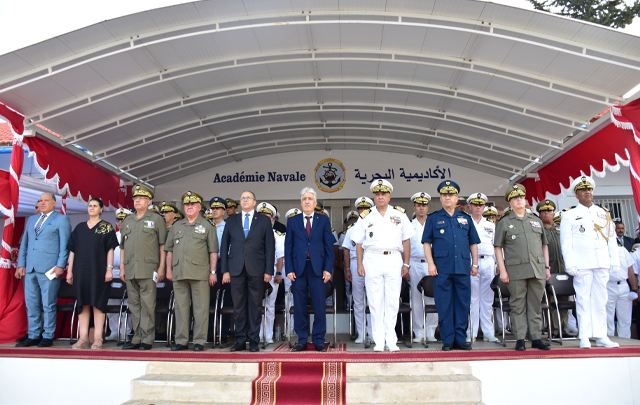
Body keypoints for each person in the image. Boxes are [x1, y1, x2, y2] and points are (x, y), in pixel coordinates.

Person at [561, 175, 620, 349]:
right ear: (576, 194)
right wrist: (570, 264)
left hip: (601, 262)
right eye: (583, 190)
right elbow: (566, 243)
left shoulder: (603, 213)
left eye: (589, 189)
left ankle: (601, 335)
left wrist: (614, 262)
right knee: (583, 300)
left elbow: (611, 240)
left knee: (601, 300)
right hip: (582, 264)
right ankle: (584, 336)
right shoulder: (569, 215)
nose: (587, 192)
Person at [353, 180, 413, 352]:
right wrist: (359, 264)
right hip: (372, 259)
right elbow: (358, 242)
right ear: (374, 196)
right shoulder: (366, 216)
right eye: (377, 194)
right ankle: (378, 340)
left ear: (389, 196)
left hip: (393, 258)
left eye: (384, 194)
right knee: (375, 302)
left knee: (392, 301)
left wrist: (406, 263)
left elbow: (406, 240)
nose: (380, 197)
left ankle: (391, 340)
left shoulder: (399, 214)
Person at [422, 180, 479, 351]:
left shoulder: (466, 219)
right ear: (440, 198)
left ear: (457, 198)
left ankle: (460, 339)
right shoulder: (433, 218)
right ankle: (447, 339)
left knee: (462, 303)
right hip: (442, 268)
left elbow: (473, 243)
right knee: (444, 304)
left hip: (462, 267)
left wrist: (475, 264)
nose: (447, 197)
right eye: (444, 195)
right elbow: (426, 243)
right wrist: (430, 264)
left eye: (451, 195)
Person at [494, 184, 550, 351]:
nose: (518, 200)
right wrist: (502, 270)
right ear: (510, 202)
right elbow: (498, 247)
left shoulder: (536, 221)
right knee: (518, 305)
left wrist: (547, 267)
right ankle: (520, 338)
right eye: (514, 198)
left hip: (537, 268)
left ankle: (536, 337)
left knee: (535, 304)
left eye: (521, 197)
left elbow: (544, 244)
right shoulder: (504, 222)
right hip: (516, 270)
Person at [220, 190, 275, 352]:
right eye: (242, 198)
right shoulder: (232, 220)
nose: (244, 200)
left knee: (255, 306)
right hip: (236, 269)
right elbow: (224, 246)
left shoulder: (264, 220)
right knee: (238, 306)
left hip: (257, 269)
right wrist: (225, 270)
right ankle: (240, 339)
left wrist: (268, 270)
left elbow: (270, 247)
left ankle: (253, 340)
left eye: (248, 198)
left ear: (254, 202)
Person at [15, 192, 72, 348]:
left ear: (54, 203)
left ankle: (48, 335)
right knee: (31, 304)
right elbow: (25, 243)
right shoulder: (32, 219)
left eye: (46, 200)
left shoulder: (61, 219)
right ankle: (33, 334)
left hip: (50, 268)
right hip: (30, 268)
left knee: (48, 304)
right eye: (40, 200)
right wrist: (21, 264)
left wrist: (61, 265)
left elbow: (65, 245)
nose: (42, 203)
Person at [165, 191, 218, 352]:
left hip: (200, 273)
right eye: (187, 204)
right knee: (180, 308)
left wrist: (213, 272)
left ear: (199, 207)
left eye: (193, 204)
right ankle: (181, 340)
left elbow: (213, 252)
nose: (189, 207)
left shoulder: (207, 226)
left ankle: (199, 341)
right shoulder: (176, 226)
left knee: (200, 309)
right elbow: (169, 250)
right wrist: (168, 269)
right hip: (179, 272)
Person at [286, 187, 336, 351]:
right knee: (299, 305)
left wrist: (328, 269)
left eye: (310, 199)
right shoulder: (293, 221)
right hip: (298, 269)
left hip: (318, 269)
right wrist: (289, 269)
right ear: (301, 202)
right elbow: (288, 247)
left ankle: (319, 340)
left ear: (315, 202)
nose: (307, 201)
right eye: (304, 199)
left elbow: (329, 247)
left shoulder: (323, 220)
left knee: (319, 305)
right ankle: (301, 339)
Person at [66, 198, 119, 349]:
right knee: (82, 304)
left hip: (99, 271)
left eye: (95, 206)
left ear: (101, 209)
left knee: (98, 303)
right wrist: (69, 271)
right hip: (80, 271)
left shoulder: (106, 227)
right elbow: (72, 251)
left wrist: (109, 269)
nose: (92, 208)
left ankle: (98, 338)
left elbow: (110, 250)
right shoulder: (80, 228)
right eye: (90, 205)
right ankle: (83, 338)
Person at [120, 184, 167, 350]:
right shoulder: (127, 220)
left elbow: (162, 246)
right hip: (130, 268)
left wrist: (161, 267)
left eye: (141, 198)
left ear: (149, 201)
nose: (137, 201)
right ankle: (137, 337)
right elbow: (123, 247)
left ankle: (147, 338)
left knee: (148, 304)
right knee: (134, 304)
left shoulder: (156, 219)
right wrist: (122, 268)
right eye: (135, 198)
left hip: (148, 268)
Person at [467, 192, 498, 343]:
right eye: (475, 205)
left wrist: (498, 264)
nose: (478, 207)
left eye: (481, 205)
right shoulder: (466, 222)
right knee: (472, 299)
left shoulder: (490, 225)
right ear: (470, 206)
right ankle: (471, 332)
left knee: (487, 299)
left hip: (488, 262)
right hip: (471, 262)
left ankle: (488, 332)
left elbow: (496, 246)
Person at [342, 196, 373, 344]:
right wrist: (347, 269)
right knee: (358, 300)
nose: (363, 211)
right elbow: (346, 250)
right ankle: (361, 333)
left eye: (366, 208)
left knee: (374, 300)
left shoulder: (375, 226)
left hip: (372, 263)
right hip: (355, 263)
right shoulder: (352, 229)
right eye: (360, 208)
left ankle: (373, 333)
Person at [408, 191, 438, 344]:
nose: (421, 208)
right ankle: (418, 331)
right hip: (414, 263)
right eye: (418, 205)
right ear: (414, 207)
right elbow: (404, 247)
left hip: (431, 264)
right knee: (416, 299)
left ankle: (431, 330)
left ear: (428, 207)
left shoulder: (434, 224)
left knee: (433, 297)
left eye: (424, 205)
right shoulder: (408, 225)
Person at [257, 202, 285, 344]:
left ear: (272, 218)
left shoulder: (277, 235)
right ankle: (257, 334)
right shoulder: (253, 233)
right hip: (255, 271)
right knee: (256, 305)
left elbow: (280, 257)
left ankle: (268, 335)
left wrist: (279, 273)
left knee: (270, 305)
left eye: (267, 216)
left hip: (272, 271)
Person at [106, 207, 132, 342]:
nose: (121, 222)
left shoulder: (133, 235)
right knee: (111, 303)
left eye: (124, 219)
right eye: (118, 220)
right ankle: (114, 330)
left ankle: (125, 331)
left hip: (128, 272)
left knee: (127, 304)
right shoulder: (113, 235)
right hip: (112, 271)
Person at [209, 196, 232, 344]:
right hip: (207, 266)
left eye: (218, 208)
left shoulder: (228, 227)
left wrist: (226, 270)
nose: (215, 211)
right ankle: (209, 333)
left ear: (224, 211)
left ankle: (223, 333)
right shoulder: (206, 226)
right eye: (213, 208)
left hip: (224, 264)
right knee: (208, 301)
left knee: (225, 301)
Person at [606, 241, 638, 339]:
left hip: (623, 285)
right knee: (608, 318)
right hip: (608, 285)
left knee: (625, 318)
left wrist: (634, 289)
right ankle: (609, 340)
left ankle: (625, 341)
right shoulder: (602, 251)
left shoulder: (623, 250)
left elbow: (630, 270)